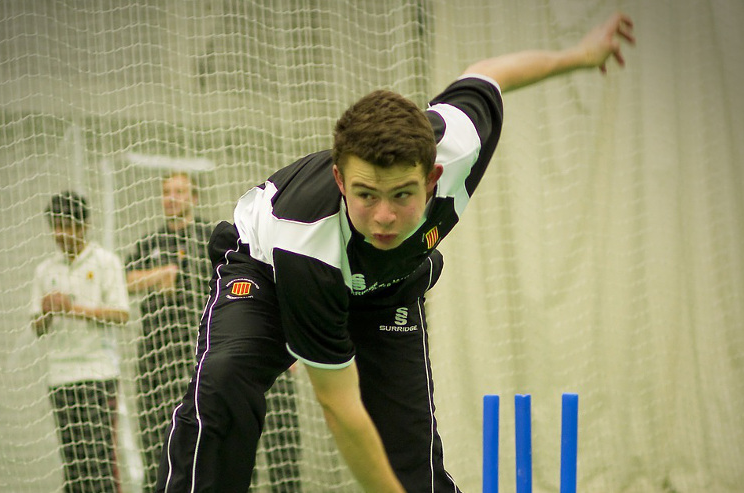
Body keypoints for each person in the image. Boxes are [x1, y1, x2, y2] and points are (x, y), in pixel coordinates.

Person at [156, 13, 635, 493]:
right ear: (341, 181)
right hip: (270, 273)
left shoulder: (458, 144)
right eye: (366, 195)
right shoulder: (306, 237)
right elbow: (340, 409)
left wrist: (582, 55)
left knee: (409, 448)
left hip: (385, 286)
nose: (384, 217)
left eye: (403, 195)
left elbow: (492, 73)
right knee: (224, 381)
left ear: (432, 179)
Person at [30, 191, 131, 493]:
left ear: (83, 225)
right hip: (60, 376)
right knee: (73, 465)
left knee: (99, 463)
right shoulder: (45, 270)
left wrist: (73, 309)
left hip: (98, 374)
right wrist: (47, 312)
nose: (59, 233)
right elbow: (37, 327)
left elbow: (121, 314)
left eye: (66, 225)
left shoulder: (105, 262)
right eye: (55, 226)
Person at [124, 173, 213, 492]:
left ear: (194, 198)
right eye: (166, 192)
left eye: (179, 192)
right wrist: (159, 275)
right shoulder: (150, 243)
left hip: (200, 352)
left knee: (202, 433)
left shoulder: (209, 238)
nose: (171, 198)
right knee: (157, 433)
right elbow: (124, 282)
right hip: (157, 352)